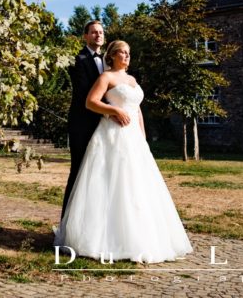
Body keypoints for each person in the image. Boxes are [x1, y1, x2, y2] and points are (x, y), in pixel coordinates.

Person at [55, 41, 193, 263]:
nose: (127, 56)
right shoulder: (106, 78)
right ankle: (104, 239)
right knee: (112, 183)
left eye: (129, 52)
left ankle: (140, 237)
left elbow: (137, 110)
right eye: (122, 52)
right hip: (111, 136)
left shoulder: (132, 80)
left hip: (134, 139)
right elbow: (90, 102)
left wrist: (143, 137)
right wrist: (113, 110)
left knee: (137, 185)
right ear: (112, 56)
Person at [62, 20, 119, 217]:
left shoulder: (109, 61)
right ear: (85, 36)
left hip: (106, 126)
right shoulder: (78, 60)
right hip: (83, 124)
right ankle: (67, 223)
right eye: (94, 32)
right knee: (79, 172)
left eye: (101, 32)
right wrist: (112, 111)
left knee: (102, 174)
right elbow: (84, 93)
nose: (98, 35)